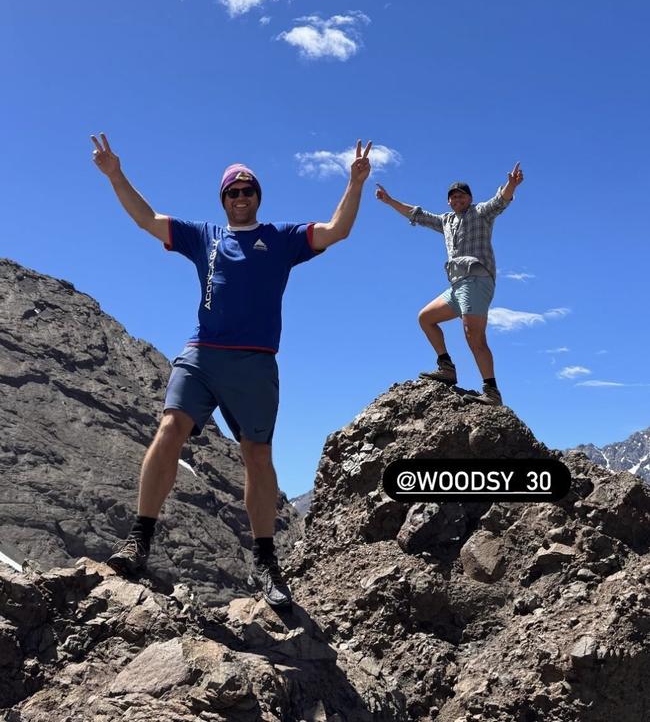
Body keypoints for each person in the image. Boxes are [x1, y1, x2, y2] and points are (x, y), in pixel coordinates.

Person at [91, 133, 372, 608]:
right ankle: (139, 540)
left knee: (257, 457)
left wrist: (355, 182)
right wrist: (115, 174)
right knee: (169, 428)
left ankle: (266, 561)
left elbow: (335, 230)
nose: (240, 198)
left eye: (248, 191)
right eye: (232, 192)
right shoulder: (205, 236)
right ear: (223, 199)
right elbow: (147, 219)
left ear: (258, 196)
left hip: (255, 363)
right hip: (202, 353)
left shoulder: (281, 238)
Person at [375, 163, 524, 405]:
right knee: (425, 318)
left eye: (461, 195)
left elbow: (500, 201)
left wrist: (511, 184)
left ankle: (492, 391)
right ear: (448, 202)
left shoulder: (480, 213)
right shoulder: (446, 221)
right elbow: (417, 215)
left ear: (469, 198)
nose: (457, 199)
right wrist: (390, 201)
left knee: (473, 336)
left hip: (476, 278)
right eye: (453, 197)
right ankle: (447, 368)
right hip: (457, 285)